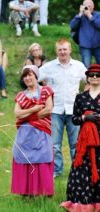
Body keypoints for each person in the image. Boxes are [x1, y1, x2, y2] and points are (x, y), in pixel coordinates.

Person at [39, 38, 87, 178]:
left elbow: (90, 80)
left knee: (76, 144)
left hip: (74, 110)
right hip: (55, 110)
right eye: (60, 49)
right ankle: (57, 170)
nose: (62, 52)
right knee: (55, 145)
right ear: (56, 51)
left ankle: (76, 169)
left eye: (65, 49)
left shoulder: (78, 66)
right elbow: (35, 77)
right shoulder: (49, 66)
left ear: (70, 50)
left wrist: (86, 97)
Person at [60, 64, 100, 211]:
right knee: (82, 168)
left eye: (97, 75)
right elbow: (74, 119)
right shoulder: (80, 97)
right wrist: (85, 117)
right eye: (92, 75)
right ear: (88, 78)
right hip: (84, 140)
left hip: (99, 139)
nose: (95, 77)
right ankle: (83, 202)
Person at [11, 65, 54, 196]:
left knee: (42, 157)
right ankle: (26, 191)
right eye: (25, 76)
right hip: (25, 134)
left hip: (41, 132)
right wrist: (33, 110)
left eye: (30, 75)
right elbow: (17, 113)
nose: (28, 78)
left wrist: (27, 116)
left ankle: (44, 191)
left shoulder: (46, 90)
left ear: (36, 76)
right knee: (25, 159)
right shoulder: (21, 95)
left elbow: (48, 109)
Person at [70, 0, 100, 68]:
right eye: (86, 6)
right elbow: (72, 26)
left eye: (90, 6)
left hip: (98, 44)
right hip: (85, 45)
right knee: (86, 66)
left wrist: (90, 17)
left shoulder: (98, 15)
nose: (88, 8)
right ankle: (87, 78)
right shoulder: (80, 17)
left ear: (93, 6)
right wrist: (80, 14)